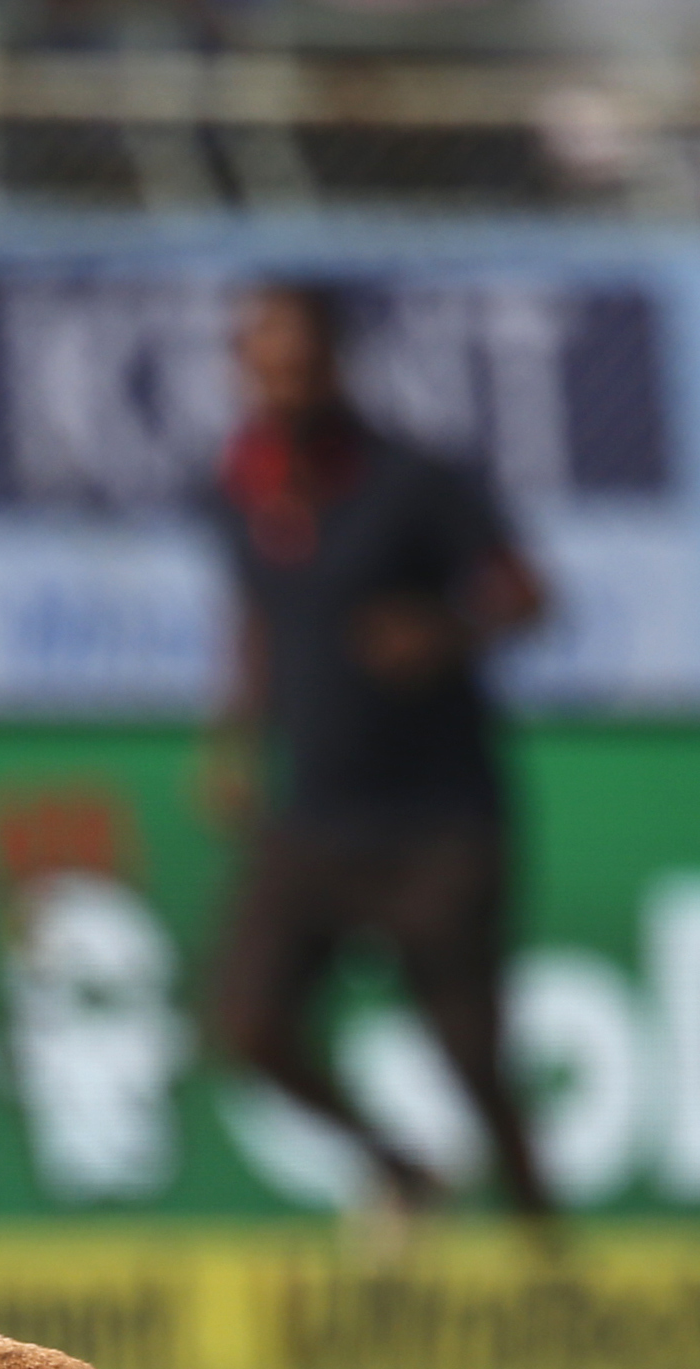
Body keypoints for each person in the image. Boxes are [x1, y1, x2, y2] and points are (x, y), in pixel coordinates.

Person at [197, 282, 557, 1235]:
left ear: (336, 366)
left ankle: (545, 1241)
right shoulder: (239, 490)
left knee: (471, 1052)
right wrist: (234, 739)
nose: (283, 382)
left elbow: (528, 595)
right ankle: (401, 1166)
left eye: (301, 363)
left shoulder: (413, 481)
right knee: (248, 1022)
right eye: (264, 364)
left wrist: (442, 630)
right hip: (313, 815)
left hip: (437, 817)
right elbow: (257, 624)